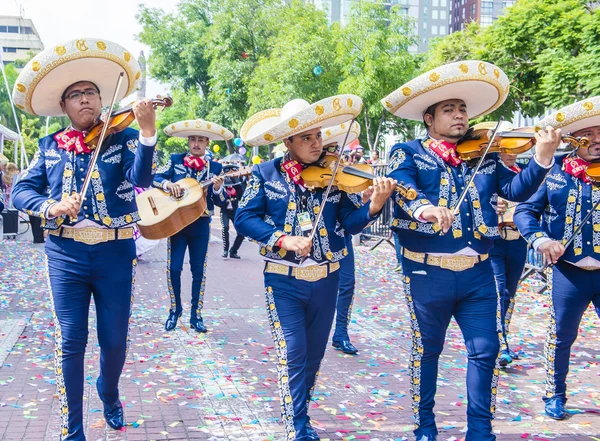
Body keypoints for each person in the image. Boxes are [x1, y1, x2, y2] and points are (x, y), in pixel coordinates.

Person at [381, 60, 560, 441]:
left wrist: (542, 157)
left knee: (487, 349)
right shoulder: (407, 151)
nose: (460, 115)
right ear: (429, 119)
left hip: (478, 271)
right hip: (428, 272)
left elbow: (516, 191)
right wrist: (425, 208)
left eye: (463, 109)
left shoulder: (485, 154)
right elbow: (401, 185)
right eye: (449, 109)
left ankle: (480, 430)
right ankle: (425, 426)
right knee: (428, 350)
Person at [11, 38, 157, 441]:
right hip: (66, 255)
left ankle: (108, 391)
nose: (85, 99)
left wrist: (147, 133)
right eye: (75, 95)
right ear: (65, 107)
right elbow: (21, 191)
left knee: (114, 343)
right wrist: (51, 206)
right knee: (71, 340)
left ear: (100, 98)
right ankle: (72, 429)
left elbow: (141, 180)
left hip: (113, 250)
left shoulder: (124, 138)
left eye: (91, 92)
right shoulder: (49, 146)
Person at [235, 96, 396, 441]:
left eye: (318, 136)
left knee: (314, 355)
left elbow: (350, 224)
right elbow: (243, 218)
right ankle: (297, 425)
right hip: (283, 280)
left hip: (326, 278)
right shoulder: (265, 173)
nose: (316, 143)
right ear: (287, 141)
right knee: (293, 350)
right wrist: (281, 238)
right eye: (306, 137)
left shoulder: (335, 174)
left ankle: (299, 409)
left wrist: (374, 206)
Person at [514, 96, 600, 420]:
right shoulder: (554, 172)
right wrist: (541, 239)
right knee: (561, 334)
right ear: (576, 138)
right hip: (568, 270)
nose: (596, 141)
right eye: (589, 134)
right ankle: (554, 393)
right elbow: (524, 210)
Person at [153, 119, 231, 332]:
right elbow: (156, 177)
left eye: (201, 140)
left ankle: (196, 315)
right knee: (174, 268)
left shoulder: (215, 167)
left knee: (198, 271)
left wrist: (217, 189)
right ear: (188, 141)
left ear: (207, 143)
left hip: (201, 224)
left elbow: (223, 202)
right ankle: (174, 310)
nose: (196, 144)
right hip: (176, 224)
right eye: (193, 139)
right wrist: (168, 184)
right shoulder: (175, 159)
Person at [322, 121, 365, 355]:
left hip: (342, 238)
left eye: (335, 150)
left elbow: (354, 216)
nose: (333, 155)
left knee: (347, 284)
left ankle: (341, 333)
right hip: (314, 242)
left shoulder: (344, 176)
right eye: (328, 150)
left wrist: (368, 201)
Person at [489, 150, 529, 367]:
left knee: (510, 293)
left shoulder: (524, 174)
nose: (512, 154)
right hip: (494, 240)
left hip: (518, 239)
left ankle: (503, 337)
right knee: (498, 290)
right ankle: (500, 344)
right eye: (506, 149)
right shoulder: (488, 173)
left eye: (515, 149)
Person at [220, 163, 247, 258]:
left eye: (233, 171)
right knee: (225, 228)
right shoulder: (222, 184)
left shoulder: (238, 183)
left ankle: (233, 250)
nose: (231, 173)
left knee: (241, 232)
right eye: (229, 171)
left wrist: (237, 182)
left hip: (235, 211)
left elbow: (243, 196)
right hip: (225, 211)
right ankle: (225, 249)